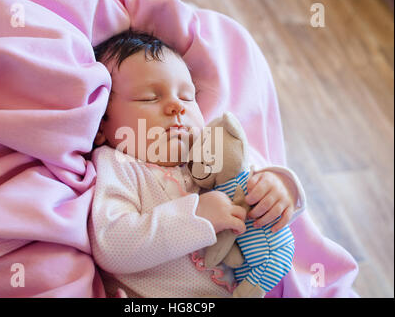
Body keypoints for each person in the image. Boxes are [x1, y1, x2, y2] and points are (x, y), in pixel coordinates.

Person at [89, 29, 305, 297]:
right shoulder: (119, 165)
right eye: (150, 98)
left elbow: (250, 182)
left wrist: (278, 189)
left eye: (187, 97)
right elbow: (111, 245)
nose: (176, 107)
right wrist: (195, 217)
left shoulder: (208, 153)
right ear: (100, 125)